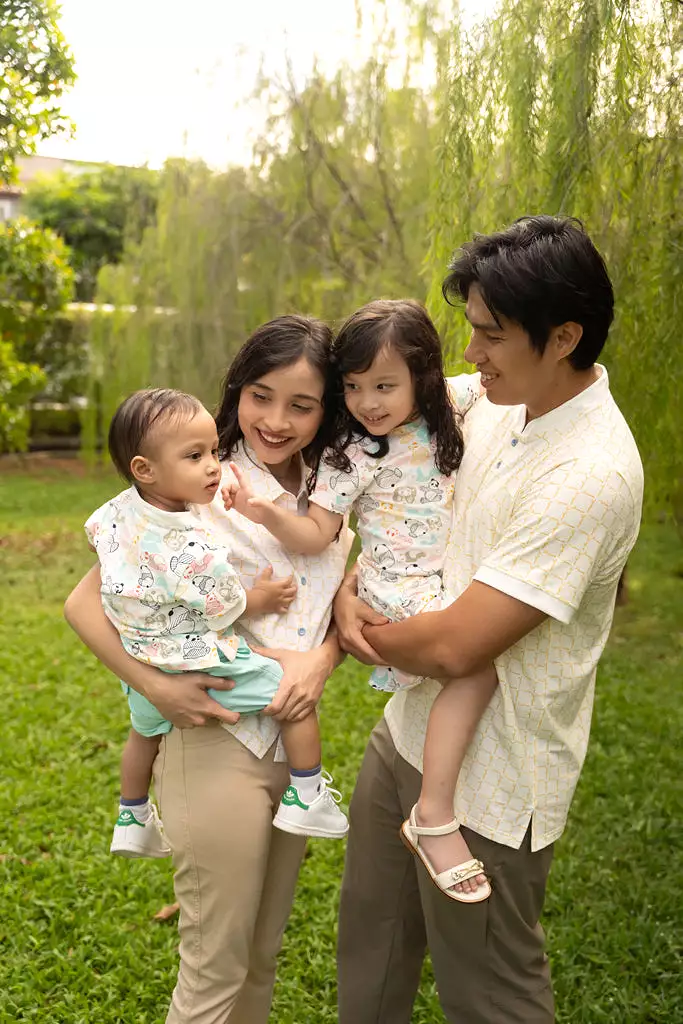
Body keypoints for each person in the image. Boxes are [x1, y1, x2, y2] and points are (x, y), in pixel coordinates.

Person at [334, 216, 644, 1024]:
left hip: (494, 782)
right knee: (369, 949)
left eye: (490, 336)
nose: (468, 355)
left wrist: (346, 626)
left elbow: (455, 644)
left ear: (563, 336)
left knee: (490, 998)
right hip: (406, 730)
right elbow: (394, 405)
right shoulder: (495, 400)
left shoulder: (590, 475)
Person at [64, 315, 352, 1024]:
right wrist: (154, 686)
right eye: (260, 395)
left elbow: (348, 601)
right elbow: (82, 603)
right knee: (214, 969)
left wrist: (322, 657)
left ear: (326, 411)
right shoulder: (194, 474)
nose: (276, 420)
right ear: (236, 391)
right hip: (215, 739)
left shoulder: (338, 488)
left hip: (291, 746)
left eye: (302, 404)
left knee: (260, 957)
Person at [226, 299, 497, 900]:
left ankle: (430, 803)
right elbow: (319, 533)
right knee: (475, 672)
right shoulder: (349, 454)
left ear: (422, 379)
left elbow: (494, 376)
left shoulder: (450, 408)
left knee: (470, 670)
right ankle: (434, 812)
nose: (368, 402)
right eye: (352, 387)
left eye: (384, 386)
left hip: (437, 582)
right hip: (396, 588)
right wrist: (267, 511)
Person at [87, 386, 348, 858]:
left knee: (142, 734)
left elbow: (96, 540)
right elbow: (225, 606)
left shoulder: (119, 512)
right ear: (145, 469)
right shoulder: (193, 541)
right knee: (291, 696)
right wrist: (262, 597)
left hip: (141, 655)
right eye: (195, 457)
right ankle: (308, 794)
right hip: (194, 660)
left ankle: (132, 814)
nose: (213, 465)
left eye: (212, 451)